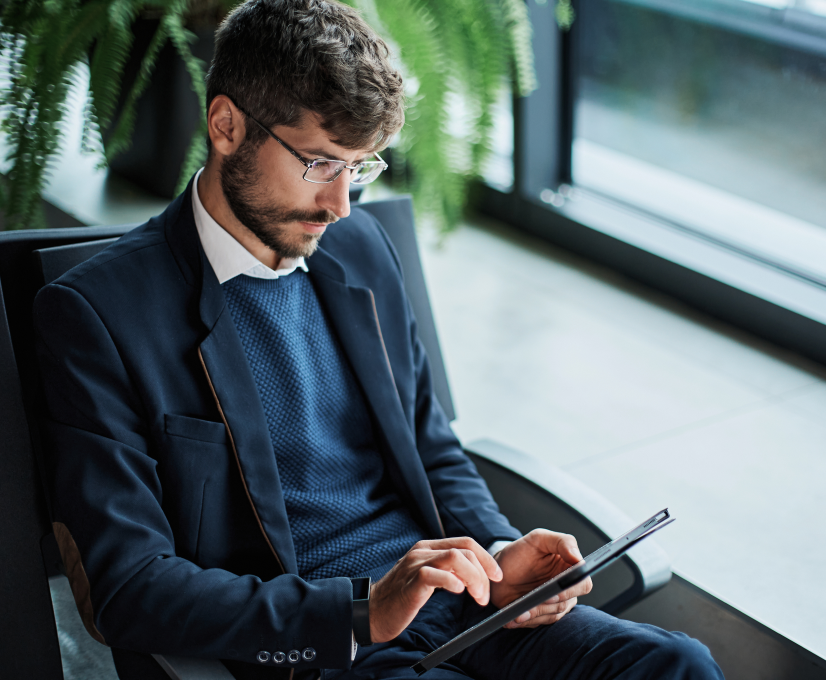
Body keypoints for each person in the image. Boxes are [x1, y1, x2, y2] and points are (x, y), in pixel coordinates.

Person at [34, 1, 724, 679]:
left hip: (455, 599)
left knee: (675, 663)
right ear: (225, 126)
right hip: (318, 644)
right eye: (320, 163)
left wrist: (497, 553)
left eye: (360, 167)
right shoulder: (100, 314)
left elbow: (432, 445)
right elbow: (131, 586)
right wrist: (361, 611)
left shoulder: (360, 248)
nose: (340, 205)